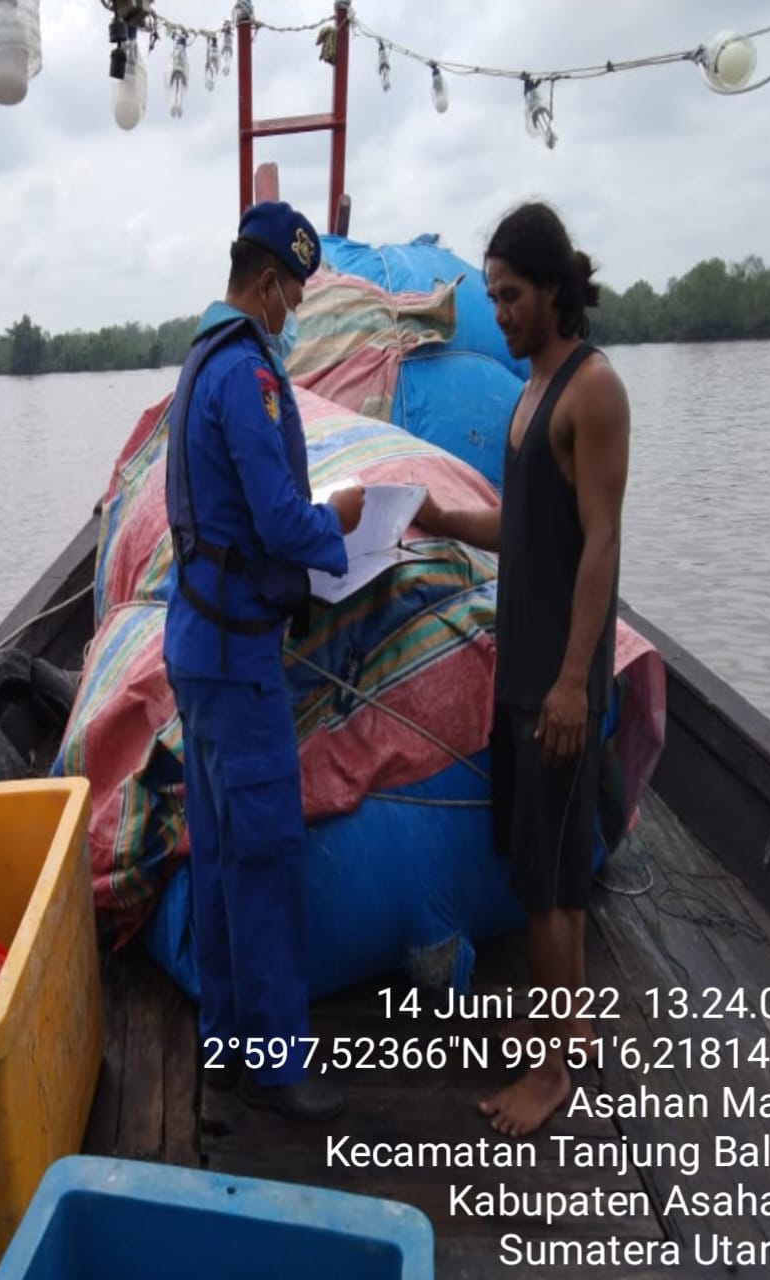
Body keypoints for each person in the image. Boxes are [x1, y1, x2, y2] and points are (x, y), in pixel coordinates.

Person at [417, 203, 630, 1137]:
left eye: (510, 295)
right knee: (552, 874)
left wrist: (576, 681)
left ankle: (551, 1073)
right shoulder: (530, 388)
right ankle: (569, 1042)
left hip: (558, 680)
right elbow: (521, 526)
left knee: (547, 893)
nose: (497, 311)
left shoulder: (593, 390)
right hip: (525, 674)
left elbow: (600, 542)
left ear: (553, 290)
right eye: (492, 295)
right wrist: (439, 518)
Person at [164, 201, 364, 1123]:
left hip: (198, 641)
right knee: (268, 851)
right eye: (295, 293)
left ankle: (223, 1032)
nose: (295, 311)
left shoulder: (199, 362)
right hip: (237, 653)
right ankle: (276, 1064)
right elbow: (283, 521)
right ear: (269, 281)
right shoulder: (247, 374)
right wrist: (345, 528)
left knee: (217, 844)